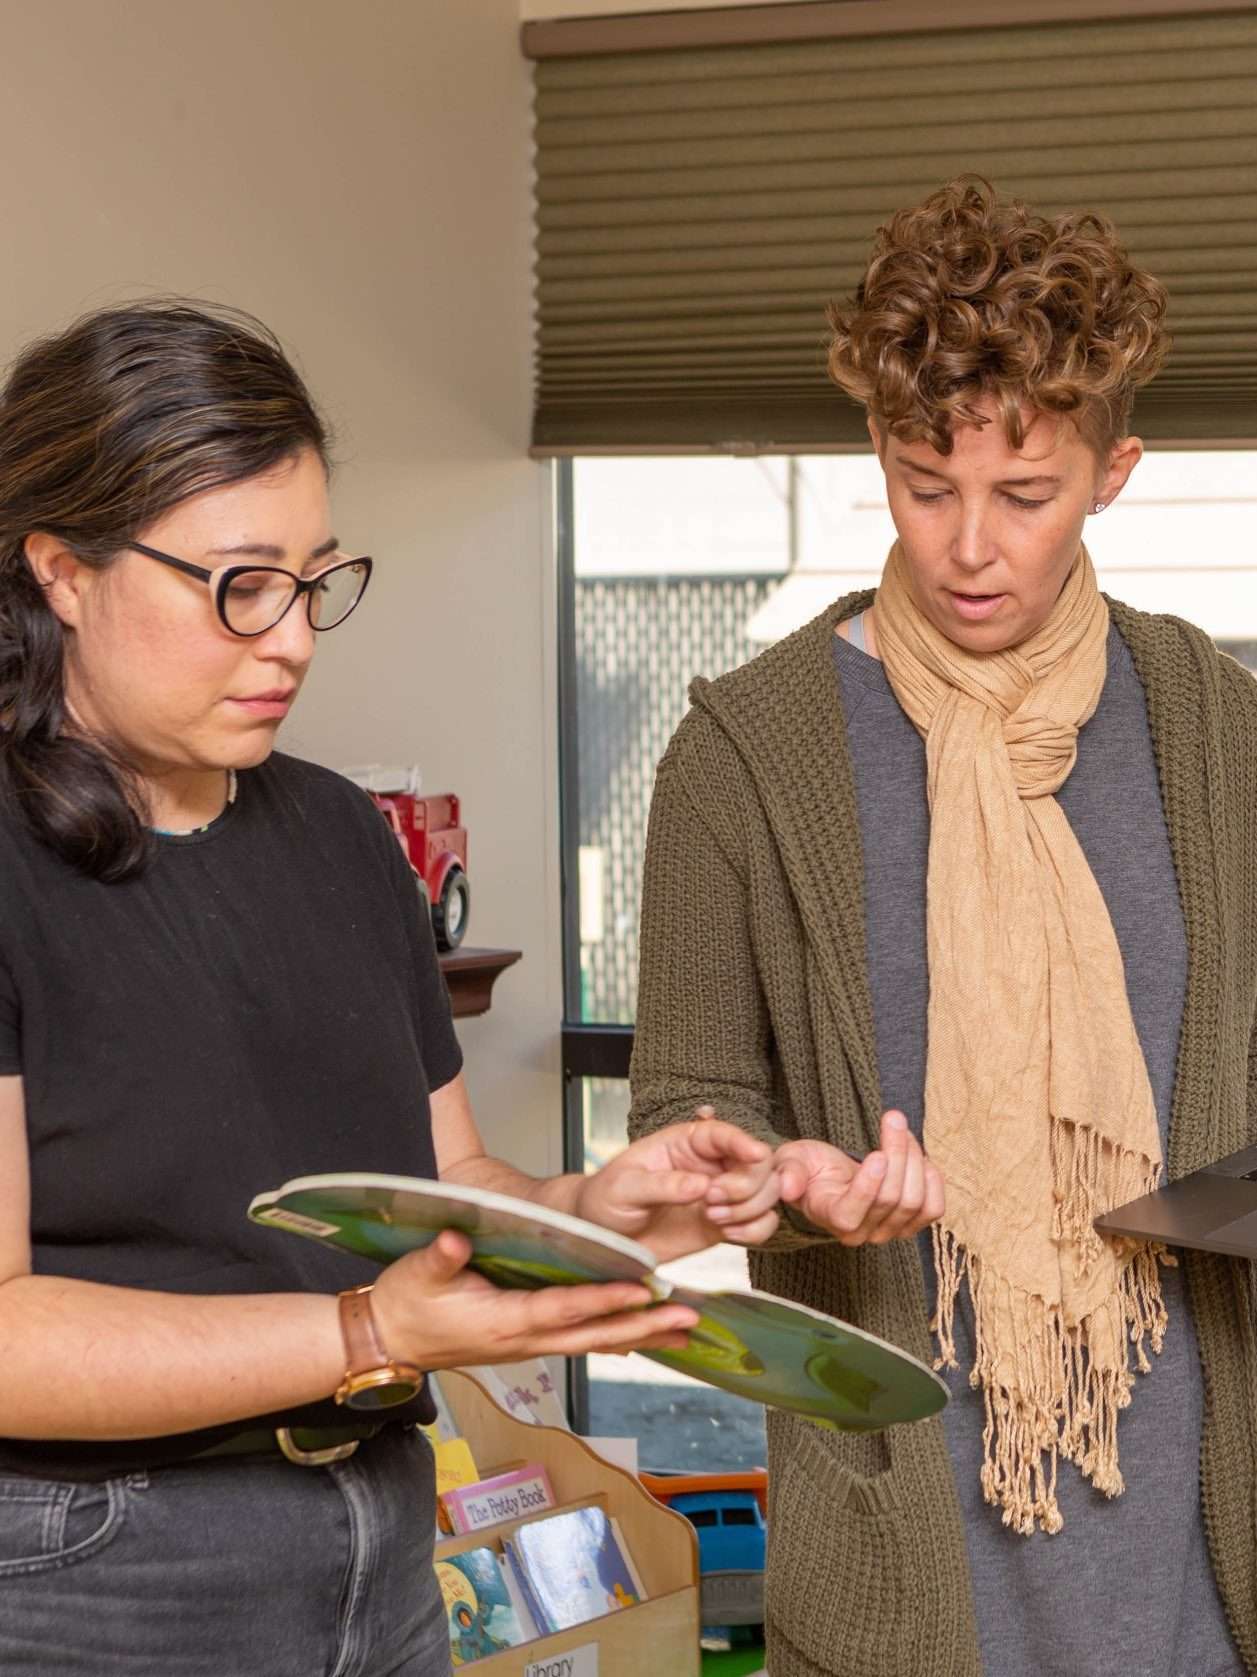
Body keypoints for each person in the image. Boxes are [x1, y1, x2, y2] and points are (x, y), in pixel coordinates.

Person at [0, 299, 786, 1676]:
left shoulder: (339, 835)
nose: (295, 636)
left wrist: (588, 1209)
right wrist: (365, 1329)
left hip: (376, 1526)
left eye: (314, 579)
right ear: (63, 570)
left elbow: (446, 1175)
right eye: (240, 584)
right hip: (94, 1571)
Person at [628, 178, 1257, 1677]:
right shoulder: (743, 755)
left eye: (1022, 495)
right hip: (903, 1560)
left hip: (1201, 1556)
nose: (966, 545)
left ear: (1114, 470)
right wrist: (787, 1178)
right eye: (923, 481)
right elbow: (682, 1114)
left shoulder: (1218, 727)